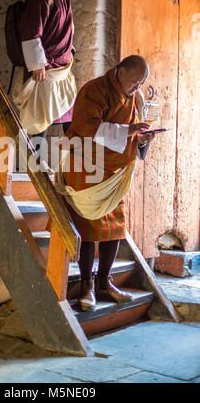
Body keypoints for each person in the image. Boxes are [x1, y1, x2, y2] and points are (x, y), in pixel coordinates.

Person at [54, 55, 155, 311]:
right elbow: (86, 127)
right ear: (119, 71)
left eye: (141, 83)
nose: (137, 87)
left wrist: (141, 139)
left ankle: (104, 283)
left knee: (115, 229)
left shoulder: (135, 97)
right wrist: (129, 131)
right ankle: (86, 285)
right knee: (88, 227)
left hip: (113, 172)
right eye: (134, 81)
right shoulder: (95, 90)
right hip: (86, 167)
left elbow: (132, 131)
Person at [12, 0, 91, 139]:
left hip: (61, 74)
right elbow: (31, 32)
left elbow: (65, 32)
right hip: (45, 73)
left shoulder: (64, 1)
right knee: (41, 123)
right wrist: (37, 64)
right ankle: (35, 164)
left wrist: (70, 51)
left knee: (70, 122)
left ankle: (75, 164)